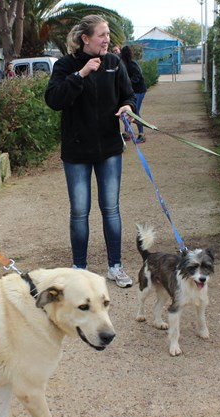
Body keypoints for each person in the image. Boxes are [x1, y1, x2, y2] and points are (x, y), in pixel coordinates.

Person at [44, 15, 137, 288]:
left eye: (108, 34)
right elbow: (54, 99)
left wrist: (128, 108)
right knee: (79, 211)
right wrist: (81, 74)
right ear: (85, 38)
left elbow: (128, 94)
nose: (107, 39)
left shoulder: (113, 63)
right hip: (76, 153)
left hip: (109, 149)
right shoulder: (65, 66)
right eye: (102, 35)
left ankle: (115, 266)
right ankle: (79, 269)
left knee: (111, 209)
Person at [120, 46, 148, 144]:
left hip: (139, 90)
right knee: (128, 112)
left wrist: (127, 83)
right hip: (133, 91)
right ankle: (127, 133)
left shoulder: (132, 64)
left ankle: (142, 134)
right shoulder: (125, 64)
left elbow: (137, 77)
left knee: (135, 112)